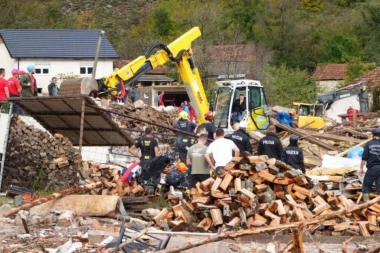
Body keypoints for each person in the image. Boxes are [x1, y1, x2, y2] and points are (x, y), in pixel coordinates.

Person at [360, 128, 380, 201]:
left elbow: (364, 158)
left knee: (366, 185)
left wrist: (361, 168)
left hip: (372, 167)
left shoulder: (369, 144)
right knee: (379, 186)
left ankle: (366, 203)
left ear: (373, 135)